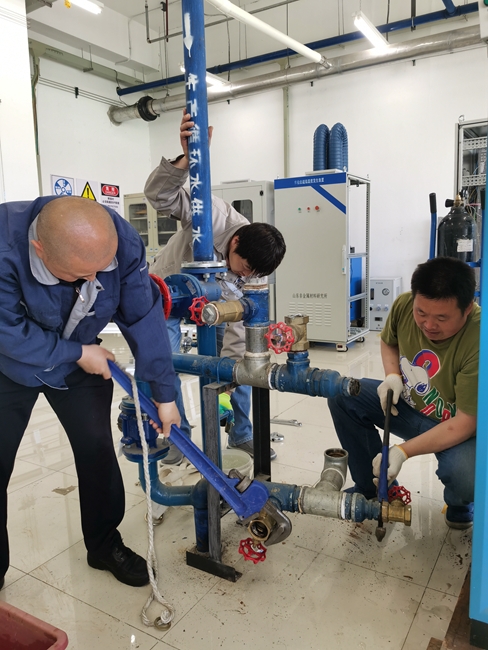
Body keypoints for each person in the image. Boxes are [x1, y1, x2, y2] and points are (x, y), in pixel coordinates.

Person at [0, 195, 180, 591]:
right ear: (39, 250)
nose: (93, 282)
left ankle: (103, 544)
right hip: (8, 363)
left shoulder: (119, 241)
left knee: (97, 450)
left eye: (100, 271)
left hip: (80, 357)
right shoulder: (4, 246)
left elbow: (142, 315)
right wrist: (77, 353)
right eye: (80, 276)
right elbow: (6, 331)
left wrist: (165, 394)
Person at [145, 109, 286, 464]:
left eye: (253, 274)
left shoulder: (254, 271)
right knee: (166, 364)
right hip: (171, 294)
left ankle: (241, 432)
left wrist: (231, 377)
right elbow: (159, 196)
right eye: (245, 269)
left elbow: (239, 329)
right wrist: (184, 161)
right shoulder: (213, 215)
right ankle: (178, 437)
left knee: (243, 362)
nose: (247, 276)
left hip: (218, 306)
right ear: (234, 242)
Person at [328, 257, 479, 530]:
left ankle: (459, 503)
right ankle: (373, 488)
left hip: (458, 427)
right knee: (343, 395)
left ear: (467, 308)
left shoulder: (480, 338)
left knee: (467, 476)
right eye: (421, 313)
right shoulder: (404, 304)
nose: (428, 325)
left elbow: (466, 423)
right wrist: (392, 376)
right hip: (408, 408)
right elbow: (389, 341)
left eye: (441, 317)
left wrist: (402, 452)